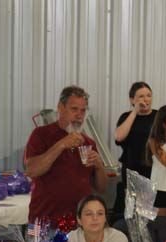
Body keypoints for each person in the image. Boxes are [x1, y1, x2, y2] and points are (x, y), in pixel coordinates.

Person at [25, 85, 108, 223]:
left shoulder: (89, 143)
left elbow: (101, 188)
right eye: (74, 109)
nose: (79, 115)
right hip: (43, 223)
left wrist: (99, 166)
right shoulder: (41, 134)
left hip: (79, 224)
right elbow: (32, 170)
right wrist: (61, 144)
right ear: (60, 107)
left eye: (83, 110)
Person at [113, 82, 157, 218]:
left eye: (149, 95)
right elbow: (119, 137)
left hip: (154, 170)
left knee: (150, 213)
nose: (146, 99)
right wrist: (135, 112)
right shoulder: (126, 117)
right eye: (141, 96)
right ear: (132, 100)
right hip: (132, 170)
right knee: (134, 213)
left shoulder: (158, 116)